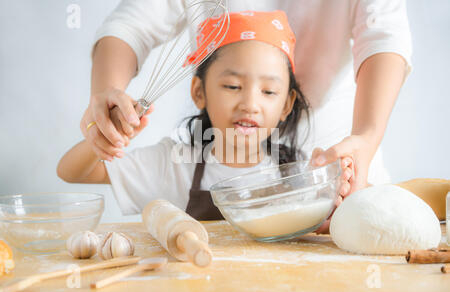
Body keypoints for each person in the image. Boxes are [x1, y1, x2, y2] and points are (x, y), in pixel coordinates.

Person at [79, 0, 412, 232]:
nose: (250, 103)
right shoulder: (176, 163)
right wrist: (106, 114)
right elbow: (131, 24)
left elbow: (384, 32)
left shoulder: (299, 170)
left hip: (336, 162)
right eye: (232, 85)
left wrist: (365, 138)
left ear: (287, 103)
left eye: (268, 91)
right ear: (199, 92)